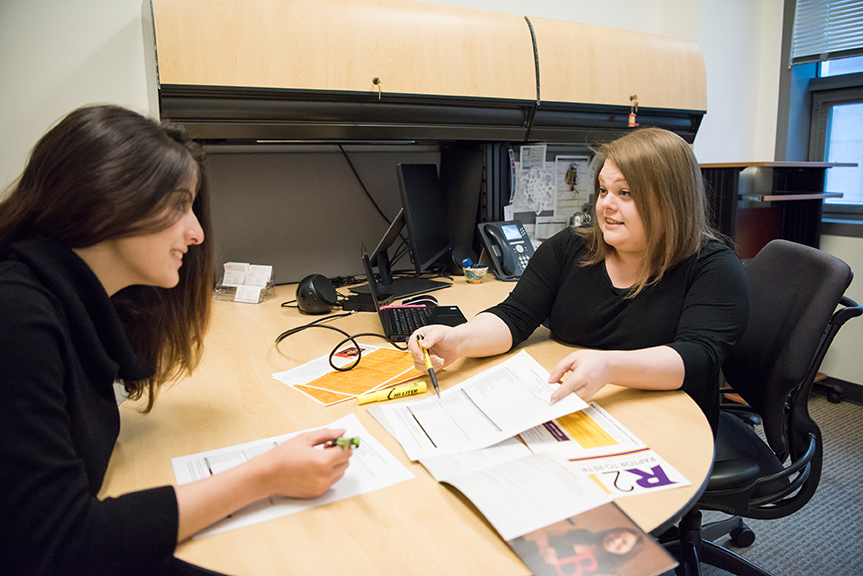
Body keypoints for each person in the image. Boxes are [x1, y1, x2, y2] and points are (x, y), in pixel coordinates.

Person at [0, 105, 353, 576]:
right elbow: (61, 547)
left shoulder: (74, 302)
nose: (197, 232)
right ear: (107, 202)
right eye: (179, 205)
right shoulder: (17, 318)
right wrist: (265, 474)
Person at [409, 127, 749, 432]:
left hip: (665, 427)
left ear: (671, 201)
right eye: (603, 190)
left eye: (625, 193)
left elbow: (696, 358)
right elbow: (515, 315)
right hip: (576, 411)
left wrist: (609, 366)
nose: (606, 206)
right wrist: (460, 339)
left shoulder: (713, 268)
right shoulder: (570, 247)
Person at [522, 521, 644, 576]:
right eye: (616, 534)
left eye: (624, 542)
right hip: (522, 555)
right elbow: (543, 530)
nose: (615, 540)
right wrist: (544, 547)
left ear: (627, 552)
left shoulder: (606, 571)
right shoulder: (584, 534)